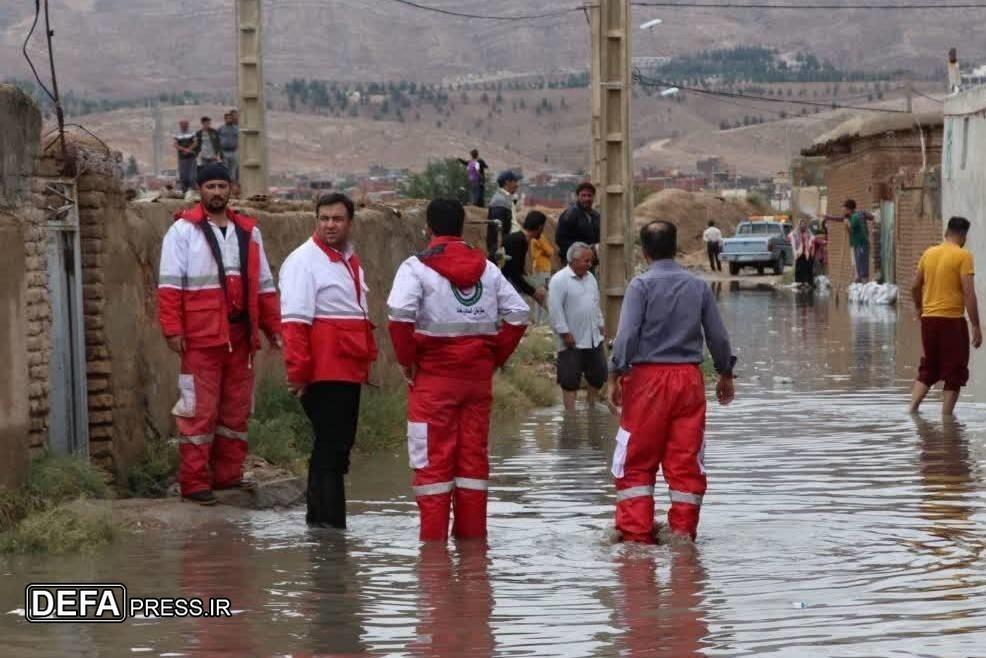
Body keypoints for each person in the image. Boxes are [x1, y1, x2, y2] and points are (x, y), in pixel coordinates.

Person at [387, 199, 529, 541]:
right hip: (476, 384)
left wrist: (407, 360)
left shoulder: (415, 268)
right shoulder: (488, 269)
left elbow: (400, 315)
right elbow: (519, 313)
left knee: (432, 466)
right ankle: (473, 551)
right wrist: (493, 358)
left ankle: (433, 556)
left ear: (428, 228)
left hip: (432, 383)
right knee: (472, 466)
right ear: (462, 227)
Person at [157, 163, 282, 505]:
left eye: (221, 186)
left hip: (240, 337)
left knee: (235, 411)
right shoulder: (182, 232)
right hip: (201, 338)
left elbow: (264, 287)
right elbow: (169, 286)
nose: (216, 192)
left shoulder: (249, 232)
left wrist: (273, 328)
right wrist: (172, 329)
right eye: (210, 186)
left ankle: (228, 476)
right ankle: (195, 482)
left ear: (231, 189)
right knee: (198, 410)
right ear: (200, 190)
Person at [608, 221, 736, 543]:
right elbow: (718, 336)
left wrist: (615, 373)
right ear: (675, 247)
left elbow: (626, 336)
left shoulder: (640, 286)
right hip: (689, 381)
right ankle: (682, 536)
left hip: (646, 380)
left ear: (644, 251)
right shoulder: (698, 286)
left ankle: (636, 540)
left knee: (636, 460)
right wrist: (725, 373)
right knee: (686, 460)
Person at [279, 193, 378, 528]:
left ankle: (326, 529)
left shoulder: (348, 259)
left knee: (338, 449)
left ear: (350, 222)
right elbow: (294, 324)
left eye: (337, 219)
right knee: (330, 448)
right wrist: (298, 373)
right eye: (324, 219)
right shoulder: (303, 261)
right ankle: (326, 527)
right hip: (324, 369)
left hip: (347, 367)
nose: (330, 225)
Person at [909, 216, 982, 417]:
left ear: (946, 233)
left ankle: (911, 410)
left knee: (929, 367)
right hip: (951, 321)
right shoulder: (963, 255)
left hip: (929, 320)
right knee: (955, 371)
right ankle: (947, 420)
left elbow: (915, 286)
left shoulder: (928, 253)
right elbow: (968, 292)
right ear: (963, 236)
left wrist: (919, 307)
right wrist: (976, 325)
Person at [549, 242, 607, 411]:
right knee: (569, 379)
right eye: (586, 261)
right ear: (573, 261)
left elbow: (595, 304)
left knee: (598, 375)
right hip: (571, 339)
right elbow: (555, 309)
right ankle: (570, 415)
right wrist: (564, 333)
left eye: (590, 261)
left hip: (593, 337)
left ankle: (591, 406)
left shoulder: (591, 279)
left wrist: (600, 324)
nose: (589, 264)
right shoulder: (559, 280)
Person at [501, 211, 548, 307]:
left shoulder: (522, 240)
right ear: (540, 227)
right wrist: (533, 292)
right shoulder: (517, 241)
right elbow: (513, 273)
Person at [556, 182, 601, 267]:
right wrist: (580, 251)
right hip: (572, 263)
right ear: (577, 196)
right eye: (583, 195)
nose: (587, 199)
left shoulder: (596, 216)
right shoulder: (569, 215)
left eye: (589, 195)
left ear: (593, 197)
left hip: (590, 262)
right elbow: (560, 240)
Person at [487, 170, 521, 261]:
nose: (517, 185)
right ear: (507, 182)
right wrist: (500, 251)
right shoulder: (500, 202)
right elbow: (498, 232)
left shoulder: (506, 199)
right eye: (515, 181)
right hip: (503, 251)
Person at [529, 223, 556, 324]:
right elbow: (550, 251)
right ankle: (543, 320)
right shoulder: (540, 237)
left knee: (539, 292)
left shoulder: (534, 238)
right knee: (543, 293)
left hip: (538, 267)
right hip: (543, 268)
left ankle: (538, 319)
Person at [174, 120, 198, 194]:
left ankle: (193, 190)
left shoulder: (192, 132)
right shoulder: (177, 134)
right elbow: (175, 145)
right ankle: (184, 190)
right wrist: (184, 149)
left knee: (192, 175)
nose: (184, 126)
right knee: (183, 175)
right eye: (182, 125)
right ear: (180, 125)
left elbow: (195, 143)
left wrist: (189, 149)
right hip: (182, 157)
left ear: (187, 125)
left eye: (185, 125)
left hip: (191, 157)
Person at [790, 218, 815, 286]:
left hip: (807, 253)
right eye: (801, 224)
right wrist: (796, 251)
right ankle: (799, 283)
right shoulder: (795, 233)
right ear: (799, 225)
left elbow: (812, 241)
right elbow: (792, 240)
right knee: (800, 269)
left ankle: (809, 283)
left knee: (808, 268)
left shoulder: (809, 232)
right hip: (799, 253)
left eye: (804, 224)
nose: (803, 225)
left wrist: (811, 251)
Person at [218, 111, 239, 185]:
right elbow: (216, 140)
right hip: (224, 152)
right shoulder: (221, 128)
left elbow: (240, 139)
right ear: (225, 119)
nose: (229, 120)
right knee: (225, 169)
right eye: (227, 118)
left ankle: (233, 184)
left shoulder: (236, 129)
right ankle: (225, 184)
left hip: (234, 151)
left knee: (233, 170)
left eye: (230, 118)